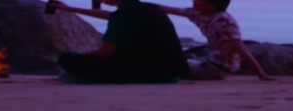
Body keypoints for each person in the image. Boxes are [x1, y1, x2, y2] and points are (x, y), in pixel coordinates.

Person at [48, 0, 189, 84]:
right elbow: (111, 16)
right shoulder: (149, 9)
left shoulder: (123, 15)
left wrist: (83, 58)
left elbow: (104, 52)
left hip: (150, 74)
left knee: (67, 59)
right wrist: (70, 9)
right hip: (172, 73)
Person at [156, 0, 272, 80]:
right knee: (181, 60)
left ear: (212, 5)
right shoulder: (198, 13)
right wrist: (145, 5)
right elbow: (168, 9)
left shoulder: (224, 22)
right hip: (208, 61)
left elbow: (240, 48)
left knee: (173, 67)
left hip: (218, 68)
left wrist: (261, 74)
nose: (193, 0)